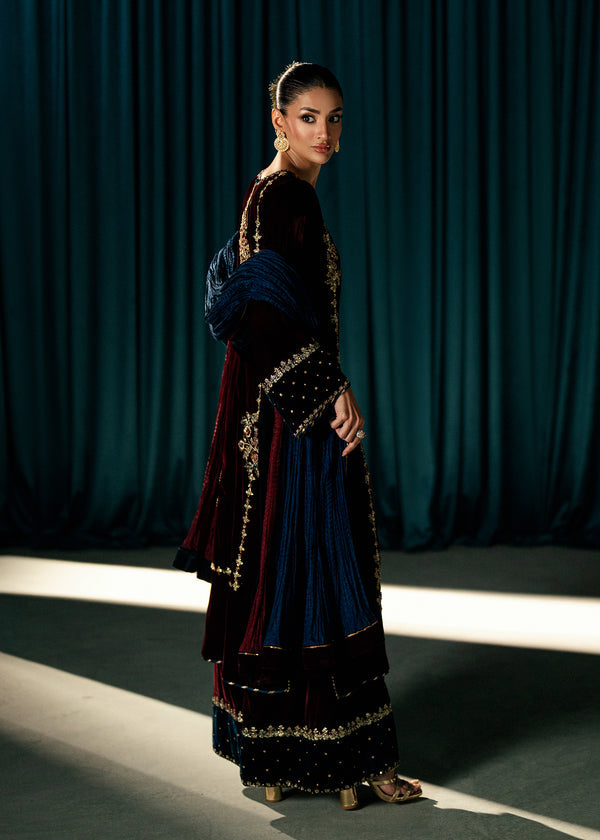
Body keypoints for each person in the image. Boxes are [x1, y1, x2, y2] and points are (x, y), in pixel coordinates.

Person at [175, 61, 421, 810]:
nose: (326, 132)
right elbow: (257, 313)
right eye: (309, 117)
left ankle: (281, 759)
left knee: (281, 566)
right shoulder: (289, 198)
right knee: (321, 566)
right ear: (279, 120)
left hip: (266, 411)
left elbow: (254, 302)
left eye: (335, 117)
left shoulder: (266, 189)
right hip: (294, 418)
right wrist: (330, 389)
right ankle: (356, 765)